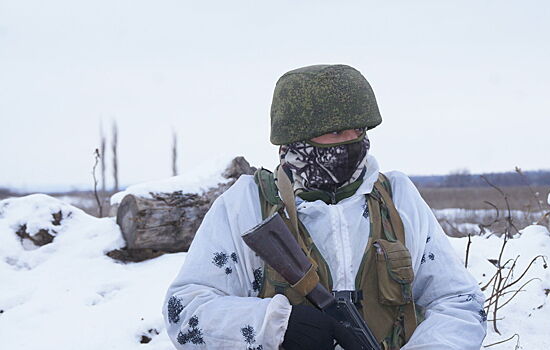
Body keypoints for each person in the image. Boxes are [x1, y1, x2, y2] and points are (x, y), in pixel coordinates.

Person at [163, 64, 487, 349]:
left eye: (359, 129)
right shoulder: (248, 204)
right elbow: (186, 310)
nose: (352, 141)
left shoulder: (396, 198)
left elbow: (459, 301)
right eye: (336, 131)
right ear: (297, 138)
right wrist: (273, 325)